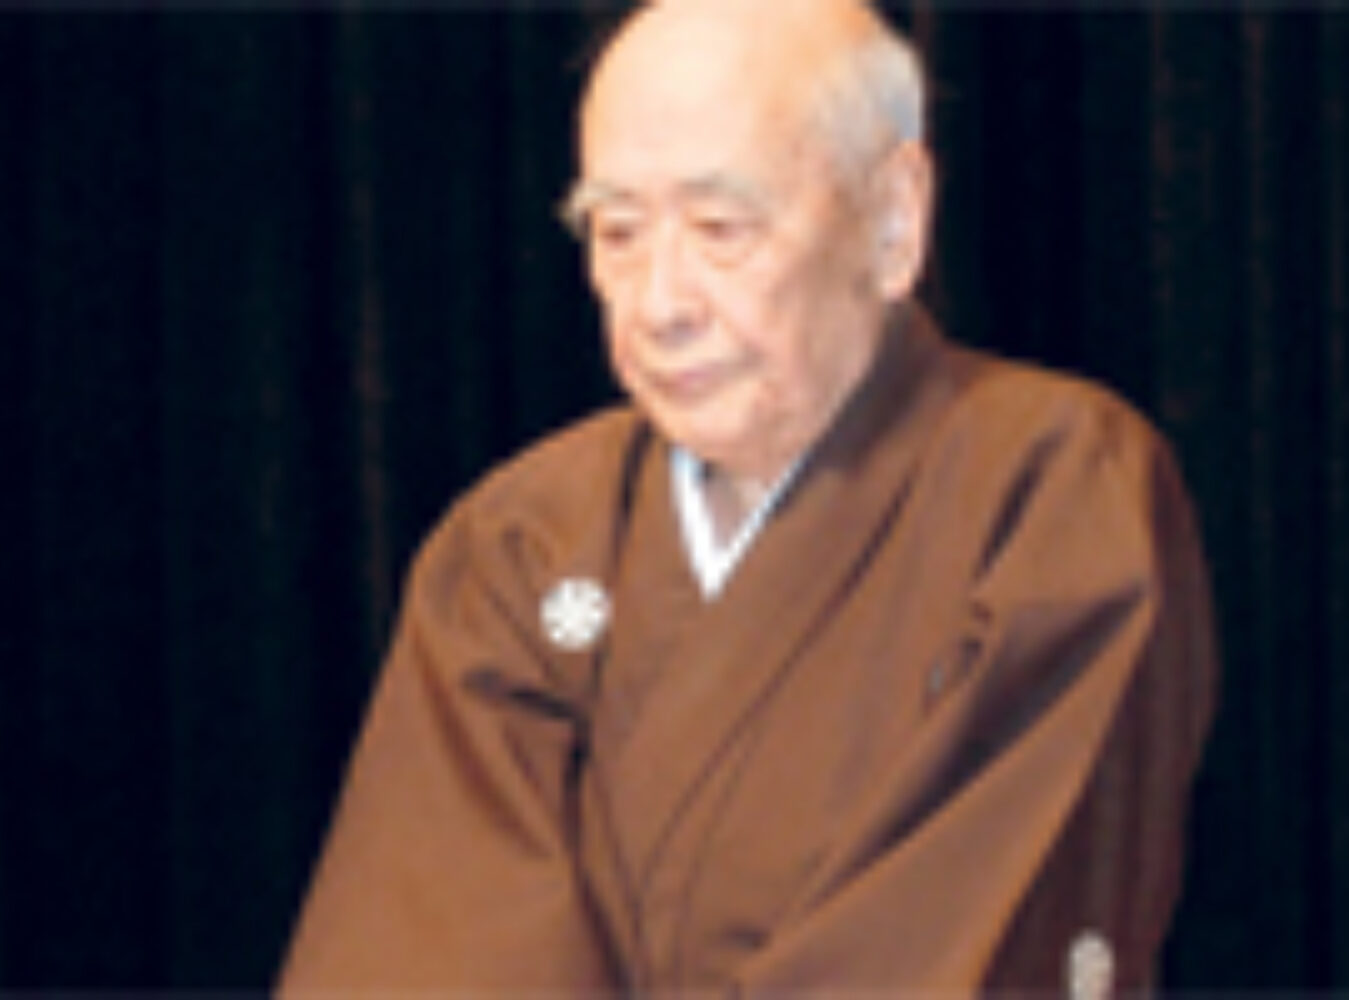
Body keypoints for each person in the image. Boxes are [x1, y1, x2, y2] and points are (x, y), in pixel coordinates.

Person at [278, 0, 1218, 994]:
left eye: (720, 228)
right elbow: (427, 940)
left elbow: (971, 931)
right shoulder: (521, 542)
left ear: (893, 219)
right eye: (616, 231)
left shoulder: (1048, 490)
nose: (658, 303)